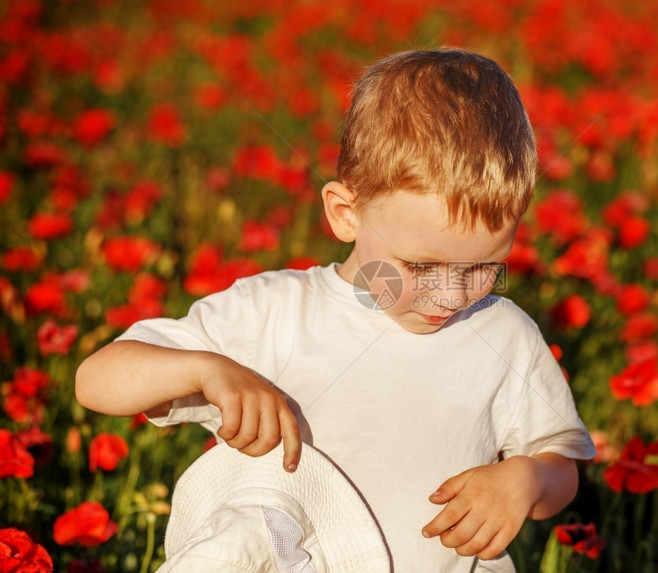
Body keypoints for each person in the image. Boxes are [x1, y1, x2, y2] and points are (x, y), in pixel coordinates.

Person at [76, 48, 596, 571]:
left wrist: (527, 480)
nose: (451, 295)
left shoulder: (502, 333)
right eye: (420, 266)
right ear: (346, 214)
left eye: (482, 267)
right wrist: (206, 370)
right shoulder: (277, 312)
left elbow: (561, 462)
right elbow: (96, 380)